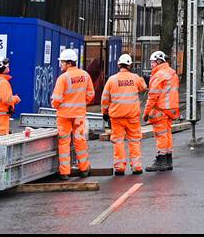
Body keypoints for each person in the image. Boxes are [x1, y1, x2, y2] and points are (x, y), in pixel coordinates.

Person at [101, 53, 148, 176]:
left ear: (118, 64)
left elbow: (105, 98)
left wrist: (105, 112)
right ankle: (136, 167)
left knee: (118, 142)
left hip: (116, 117)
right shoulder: (135, 78)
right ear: (130, 65)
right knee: (134, 141)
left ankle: (120, 168)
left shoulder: (112, 80)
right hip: (132, 116)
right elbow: (144, 87)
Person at [51, 48, 94, 180]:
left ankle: (65, 172)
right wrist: (81, 103)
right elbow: (90, 94)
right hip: (79, 115)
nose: (61, 64)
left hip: (64, 116)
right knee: (80, 140)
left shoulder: (63, 78)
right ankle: (84, 168)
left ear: (69, 63)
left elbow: (56, 100)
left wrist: (55, 106)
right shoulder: (85, 75)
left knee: (64, 142)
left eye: (62, 62)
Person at [144, 50, 180, 172]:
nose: (151, 65)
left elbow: (153, 96)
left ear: (159, 61)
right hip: (171, 109)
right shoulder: (172, 73)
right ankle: (168, 160)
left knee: (160, 135)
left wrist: (146, 112)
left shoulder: (159, 75)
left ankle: (161, 160)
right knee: (167, 134)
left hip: (161, 110)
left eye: (153, 62)